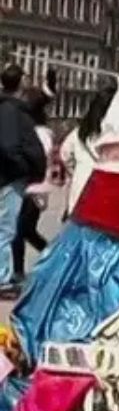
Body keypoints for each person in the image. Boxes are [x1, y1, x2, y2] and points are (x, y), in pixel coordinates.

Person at [0, 65, 44, 299]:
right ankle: (2, 277)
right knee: (6, 228)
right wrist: (22, 167)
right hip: (10, 177)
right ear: (20, 83)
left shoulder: (11, 109)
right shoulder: (11, 111)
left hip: (9, 174)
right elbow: (9, 145)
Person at [14, 88, 53, 283]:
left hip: (34, 187)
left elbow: (40, 159)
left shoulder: (39, 133)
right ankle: (50, 257)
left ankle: (20, 272)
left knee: (21, 230)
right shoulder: (38, 132)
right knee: (25, 230)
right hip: (32, 186)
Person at [59, 86, 117, 220]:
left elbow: (65, 153)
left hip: (80, 189)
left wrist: (74, 170)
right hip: (105, 194)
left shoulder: (80, 132)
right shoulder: (116, 133)